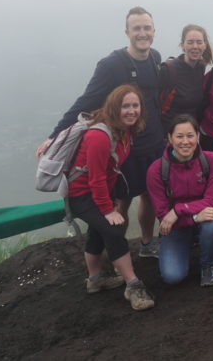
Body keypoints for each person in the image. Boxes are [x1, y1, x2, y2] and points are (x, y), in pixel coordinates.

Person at [37, 7, 163, 258]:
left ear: (154, 31)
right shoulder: (111, 65)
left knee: (150, 195)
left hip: (154, 142)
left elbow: (156, 100)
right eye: (136, 28)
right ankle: (118, 250)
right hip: (124, 146)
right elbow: (87, 100)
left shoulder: (155, 58)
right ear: (126, 32)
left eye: (146, 28)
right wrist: (54, 134)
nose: (142, 33)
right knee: (122, 202)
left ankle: (147, 244)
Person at [66, 84, 155, 311]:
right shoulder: (99, 136)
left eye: (135, 106)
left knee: (99, 231)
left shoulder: (124, 130)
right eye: (125, 106)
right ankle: (133, 285)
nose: (131, 111)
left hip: (98, 191)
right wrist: (107, 209)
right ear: (114, 107)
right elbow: (95, 178)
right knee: (114, 228)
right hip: (81, 193)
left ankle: (95, 281)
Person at [145, 115, 213, 287]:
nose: (185, 141)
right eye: (179, 136)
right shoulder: (156, 170)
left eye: (190, 135)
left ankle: (207, 266)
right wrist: (193, 217)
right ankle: (187, 240)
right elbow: (163, 216)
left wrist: (178, 209)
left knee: (211, 224)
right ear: (170, 138)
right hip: (176, 225)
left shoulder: (212, 161)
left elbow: (212, 201)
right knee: (172, 276)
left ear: (198, 136)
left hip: (195, 216)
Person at [159, 24, 213, 130]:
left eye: (199, 42)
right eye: (190, 42)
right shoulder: (168, 69)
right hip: (168, 133)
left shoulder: (201, 67)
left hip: (191, 132)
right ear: (182, 45)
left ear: (205, 45)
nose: (195, 46)